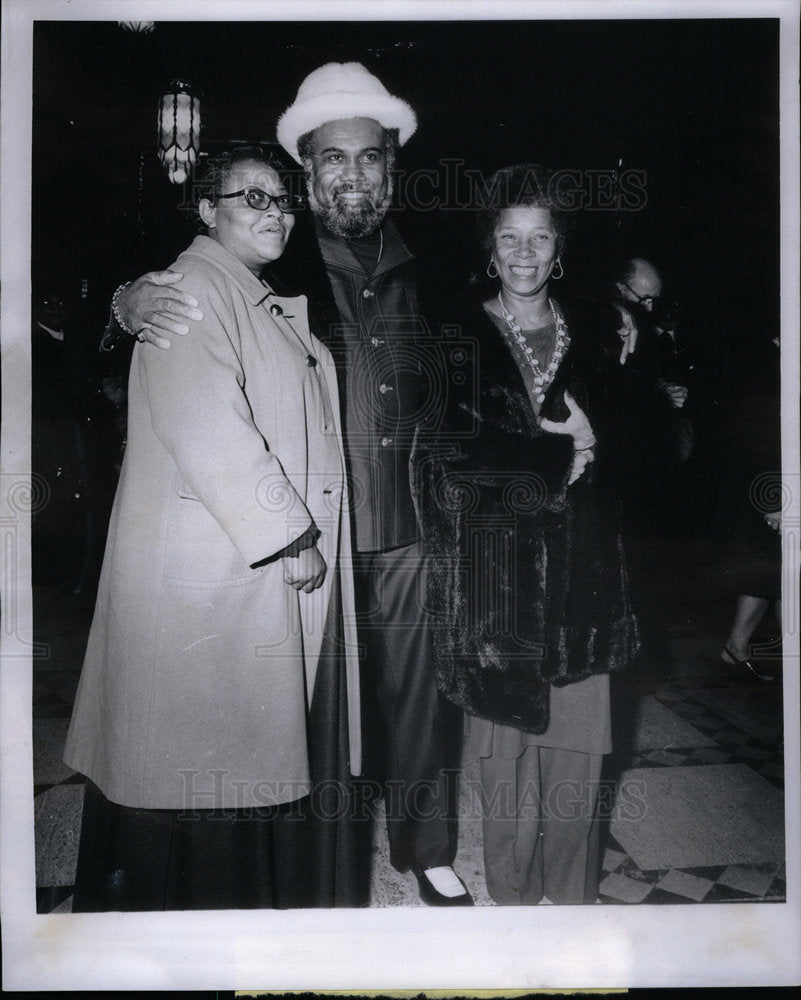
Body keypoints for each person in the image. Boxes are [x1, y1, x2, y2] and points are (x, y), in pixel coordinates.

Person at [96, 64, 471, 905]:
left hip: (412, 522)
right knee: (312, 715)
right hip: (311, 528)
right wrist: (125, 301)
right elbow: (171, 293)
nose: (351, 174)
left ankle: (428, 847)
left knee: (417, 698)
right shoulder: (274, 249)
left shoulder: (438, 262)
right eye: (331, 159)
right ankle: (319, 868)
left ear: (391, 165)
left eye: (368, 158)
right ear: (306, 169)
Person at [63, 147, 362, 910]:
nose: (275, 212)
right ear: (206, 209)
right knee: (196, 760)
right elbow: (208, 427)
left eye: (283, 200)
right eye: (251, 197)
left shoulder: (247, 290)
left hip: (231, 562)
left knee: (216, 756)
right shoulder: (196, 285)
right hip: (220, 567)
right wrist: (289, 536)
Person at [417, 164, 639, 904]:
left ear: (558, 250)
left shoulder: (603, 335)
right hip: (494, 581)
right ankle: (512, 906)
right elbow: (445, 456)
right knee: (502, 758)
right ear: (489, 249)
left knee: (577, 755)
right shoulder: (451, 335)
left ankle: (571, 907)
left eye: (538, 237)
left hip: (585, 581)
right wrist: (558, 457)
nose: (523, 252)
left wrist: (607, 434)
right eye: (508, 237)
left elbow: (666, 443)